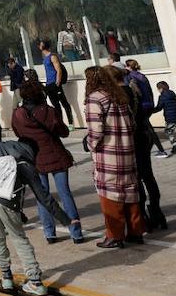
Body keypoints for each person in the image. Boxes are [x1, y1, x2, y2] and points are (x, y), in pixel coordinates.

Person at [0, 115, 72, 296]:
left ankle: (6, 278)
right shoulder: (27, 165)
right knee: (19, 238)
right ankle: (35, 281)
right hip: (6, 201)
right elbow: (44, 198)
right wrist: (65, 219)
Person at [10, 79, 83, 244]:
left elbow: (17, 132)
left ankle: (50, 233)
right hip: (55, 154)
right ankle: (76, 233)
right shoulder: (49, 111)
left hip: (34, 158)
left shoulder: (17, 114)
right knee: (65, 193)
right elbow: (63, 132)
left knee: (42, 196)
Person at [84, 65, 145, 249]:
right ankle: (135, 232)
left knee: (110, 195)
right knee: (130, 192)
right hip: (127, 150)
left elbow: (96, 131)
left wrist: (91, 145)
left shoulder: (95, 99)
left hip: (108, 154)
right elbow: (132, 124)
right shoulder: (120, 96)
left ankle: (114, 235)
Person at [123, 60, 167, 157]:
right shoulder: (142, 76)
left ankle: (161, 150)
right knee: (145, 127)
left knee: (147, 129)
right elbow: (149, 91)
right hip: (148, 104)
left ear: (128, 67)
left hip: (141, 105)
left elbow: (135, 92)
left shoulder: (129, 77)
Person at [38, 40, 75, 126]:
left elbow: (58, 69)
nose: (39, 46)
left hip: (55, 83)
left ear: (44, 45)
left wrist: (58, 81)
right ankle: (60, 124)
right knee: (56, 105)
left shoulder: (52, 56)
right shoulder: (44, 58)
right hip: (49, 84)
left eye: (40, 44)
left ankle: (70, 123)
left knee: (64, 103)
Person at [153, 82, 176, 154]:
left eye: (158, 89)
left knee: (168, 132)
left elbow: (159, 107)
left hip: (170, 118)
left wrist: (151, 110)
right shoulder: (172, 93)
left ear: (160, 89)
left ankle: (175, 146)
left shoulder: (162, 96)